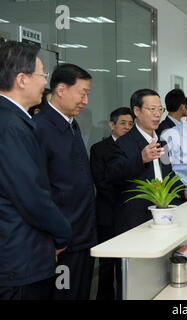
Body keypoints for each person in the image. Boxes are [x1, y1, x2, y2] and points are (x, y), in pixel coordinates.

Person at [0, 41, 71, 300]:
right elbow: (31, 196)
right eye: (42, 75)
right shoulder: (11, 127)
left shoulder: (13, 120)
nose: (45, 83)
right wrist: (62, 234)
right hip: (20, 259)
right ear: (22, 79)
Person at [34, 63, 97, 300]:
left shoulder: (71, 124)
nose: (86, 100)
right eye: (82, 93)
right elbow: (39, 189)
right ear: (61, 89)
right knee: (64, 295)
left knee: (81, 292)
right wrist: (54, 237)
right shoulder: (40, 128)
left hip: (83, 233)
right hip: (62, 240)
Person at [106, 89, 187, 236]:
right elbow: (113, 175)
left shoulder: (161, 142)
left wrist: (185, 191)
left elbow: (167, 175)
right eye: (152, 109)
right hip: (135, 219)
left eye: (160, 109)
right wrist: (141, 159)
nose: (157, 114)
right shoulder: (123, 143)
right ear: (137, 111)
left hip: (162, 215)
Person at [89, 107, 133, 300]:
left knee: (127, 268)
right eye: (123, 123)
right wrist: (126, 198)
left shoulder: (135, 148)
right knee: (106, 269)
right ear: (111, 124)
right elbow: (101, 182)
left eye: (131, 124)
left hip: (130, 217)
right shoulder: (98, 149)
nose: (127, 127)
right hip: (108, 214)